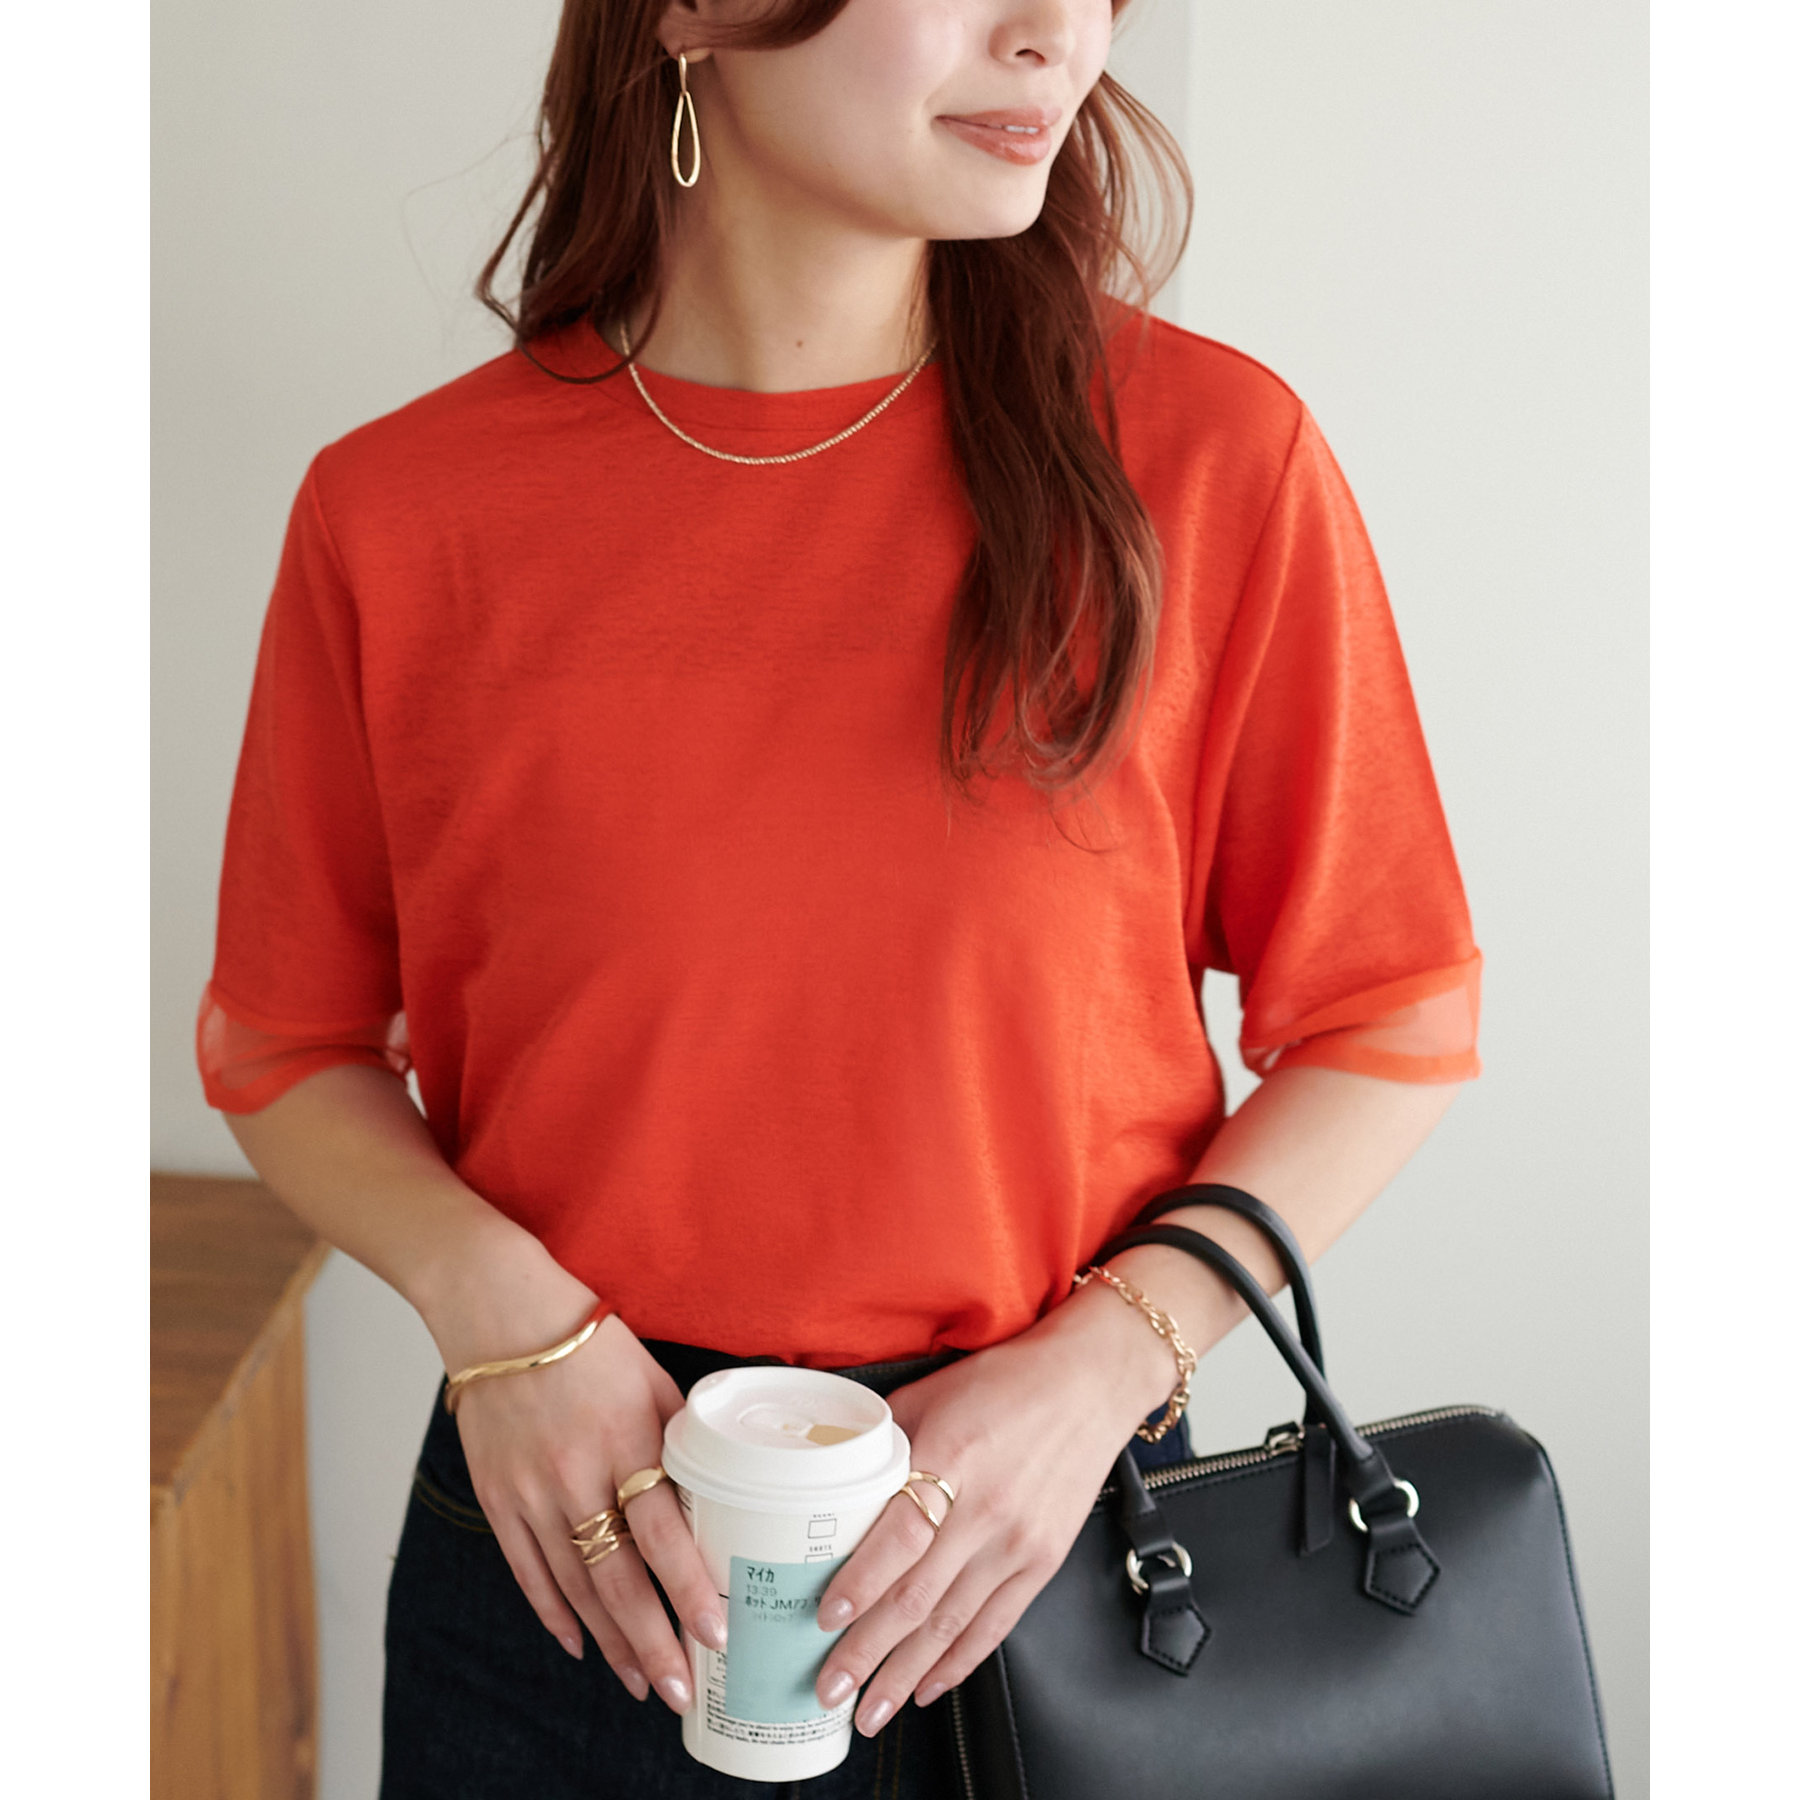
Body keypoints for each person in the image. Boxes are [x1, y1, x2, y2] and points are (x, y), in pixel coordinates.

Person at [195, 2, 1482, 1794]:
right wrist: (504, 1320)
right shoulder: (401, 514)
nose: (1056, 37)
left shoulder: (1207, 463)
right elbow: (286, 1044)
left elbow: (1389, 1014)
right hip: (579, 1556)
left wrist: (1107, 1369)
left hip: (1051, 1546)